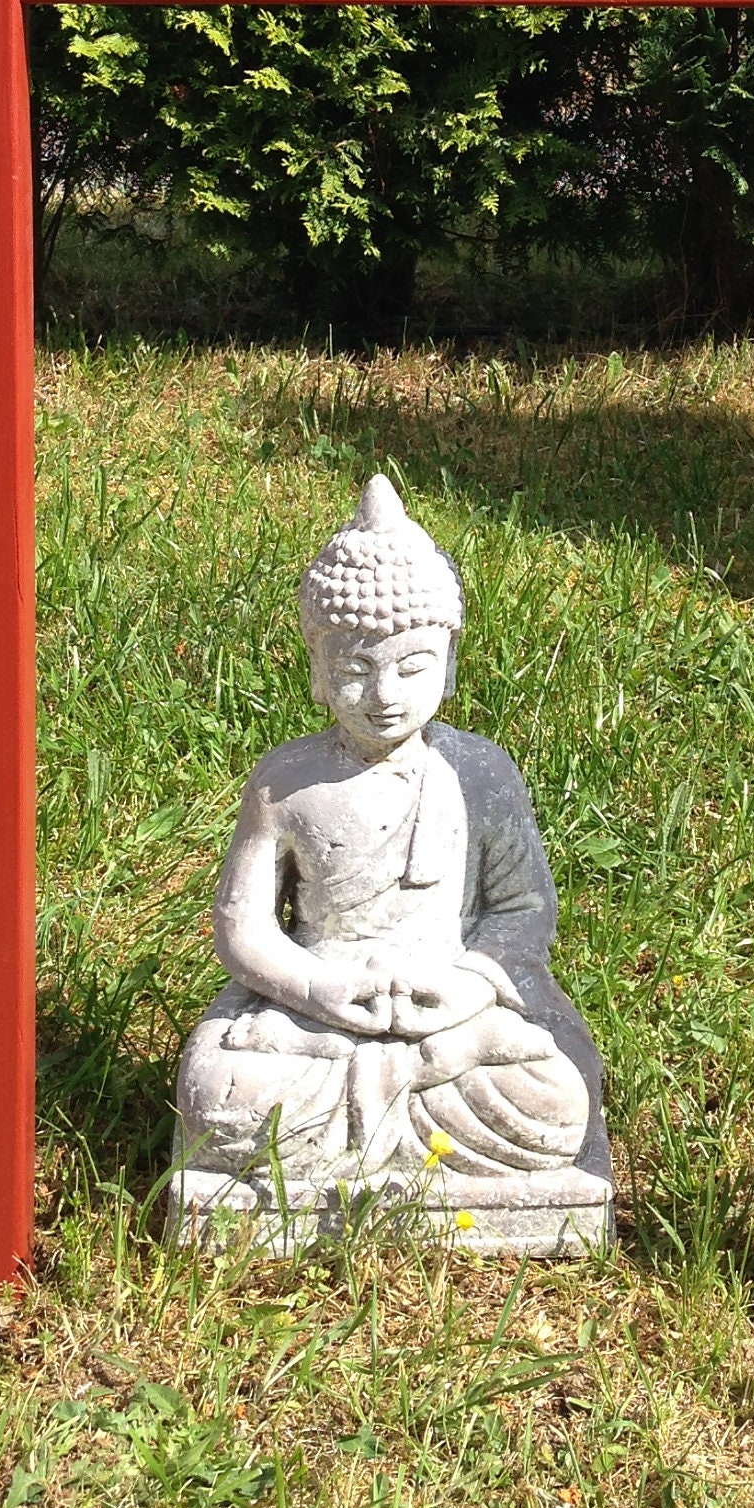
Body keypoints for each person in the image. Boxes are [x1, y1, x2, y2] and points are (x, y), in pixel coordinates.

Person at [173, 476, 608, 1218]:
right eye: (354, 671)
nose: (384, 695)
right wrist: (316, 989)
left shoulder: (480, 773)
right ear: (317, 670)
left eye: (412, 667)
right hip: (315, 1009)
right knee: (217, 1091)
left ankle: (382, 1109)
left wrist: (469, 987)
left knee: (554, 1097)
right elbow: (242, 927)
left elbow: (522, 911)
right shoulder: (285, 781)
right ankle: (397, 1106)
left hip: (451, 1010)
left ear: (449, 661)